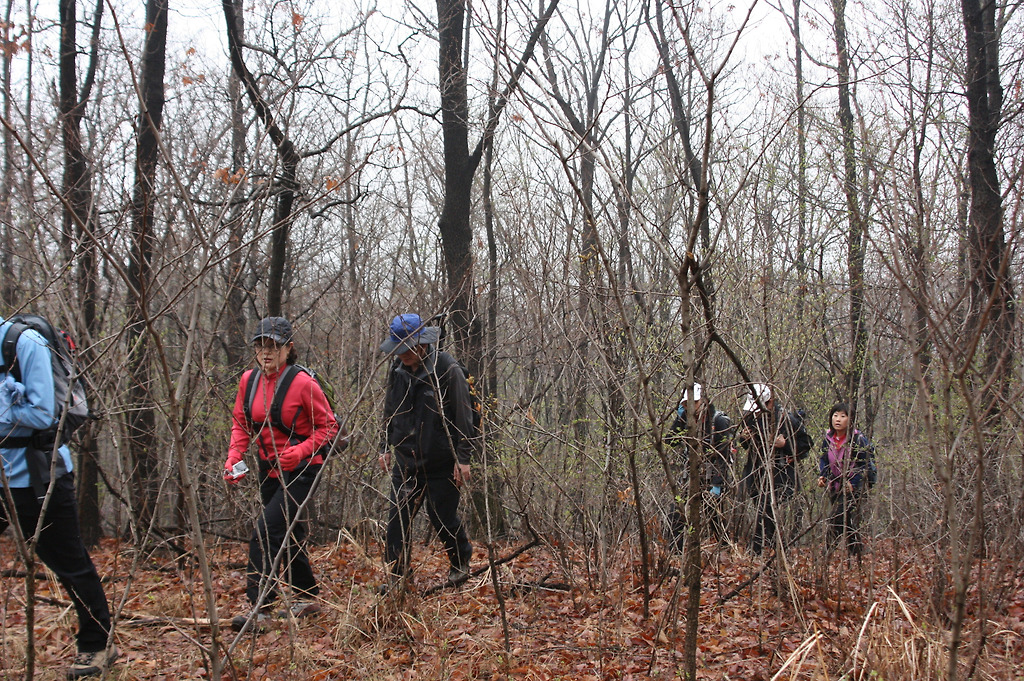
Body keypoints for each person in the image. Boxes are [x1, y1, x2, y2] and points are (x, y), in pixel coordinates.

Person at [0, 315, 117, 678]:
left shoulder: (24, 343)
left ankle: (98, 645)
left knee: (69, 563)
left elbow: (42, 412)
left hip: (39, 479)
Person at [224, 317, 340, 631]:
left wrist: (300, 452)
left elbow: (329, 427)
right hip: (268, 469)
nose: (266, 352)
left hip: (303, 470)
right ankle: (306, 595)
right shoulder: (248, 381)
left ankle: (260, 609)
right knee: (287, 534)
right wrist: (234, 458)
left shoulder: (302, 383)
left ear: (288, 348)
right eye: (260, 345)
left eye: (273, 346)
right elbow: (241, 424)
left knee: (266, 531)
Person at [378, 313, 473, 592]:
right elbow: (389, 411)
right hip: (406, 461)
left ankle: (460, 559)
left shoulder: (448, 369)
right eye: (397, 348)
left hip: (442, 462)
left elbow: (464, 418)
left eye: (407, 348)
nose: (402, 354)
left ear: (422, 343)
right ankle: (398, 578)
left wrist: (463, 459)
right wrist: (384, 446)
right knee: (397, 521)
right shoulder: (397, 370)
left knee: (441, 516)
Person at [736, 383, 811, 555]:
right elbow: (746, 444)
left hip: (779, 474)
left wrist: (786, 445)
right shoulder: (750, 417)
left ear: (769, 402)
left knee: (767, 510)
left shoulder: (786, 419)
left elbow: (805, 444)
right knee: (762, 509)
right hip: (755, 471)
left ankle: (757, 550)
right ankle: (772, 548)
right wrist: (745, 439)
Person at [665, 383, 733, 548]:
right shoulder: (686, 420)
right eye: (684, 404)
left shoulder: (719, 421)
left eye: (692, 402)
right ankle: (676, 552)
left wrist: (717, 485)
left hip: (713, 477)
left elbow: (724, 456)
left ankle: (724, 551)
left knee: (715, 518)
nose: (688, 407)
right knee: (677, 512)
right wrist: (679, 420)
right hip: (691, 476)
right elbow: (670, 441)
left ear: (703, 400)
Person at [817, 402, 874, 556]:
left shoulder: (858, 439)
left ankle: (826, 554)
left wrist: (853, 483)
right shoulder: (828, 438)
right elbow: (824, 459)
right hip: (834, 486)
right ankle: (857, 553)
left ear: (850, 419)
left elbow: (865, 465)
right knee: (847, 523)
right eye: (835, 415)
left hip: (853, 488)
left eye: (843, 416)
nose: (838, 419)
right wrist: (823, 475)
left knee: (837, 518)